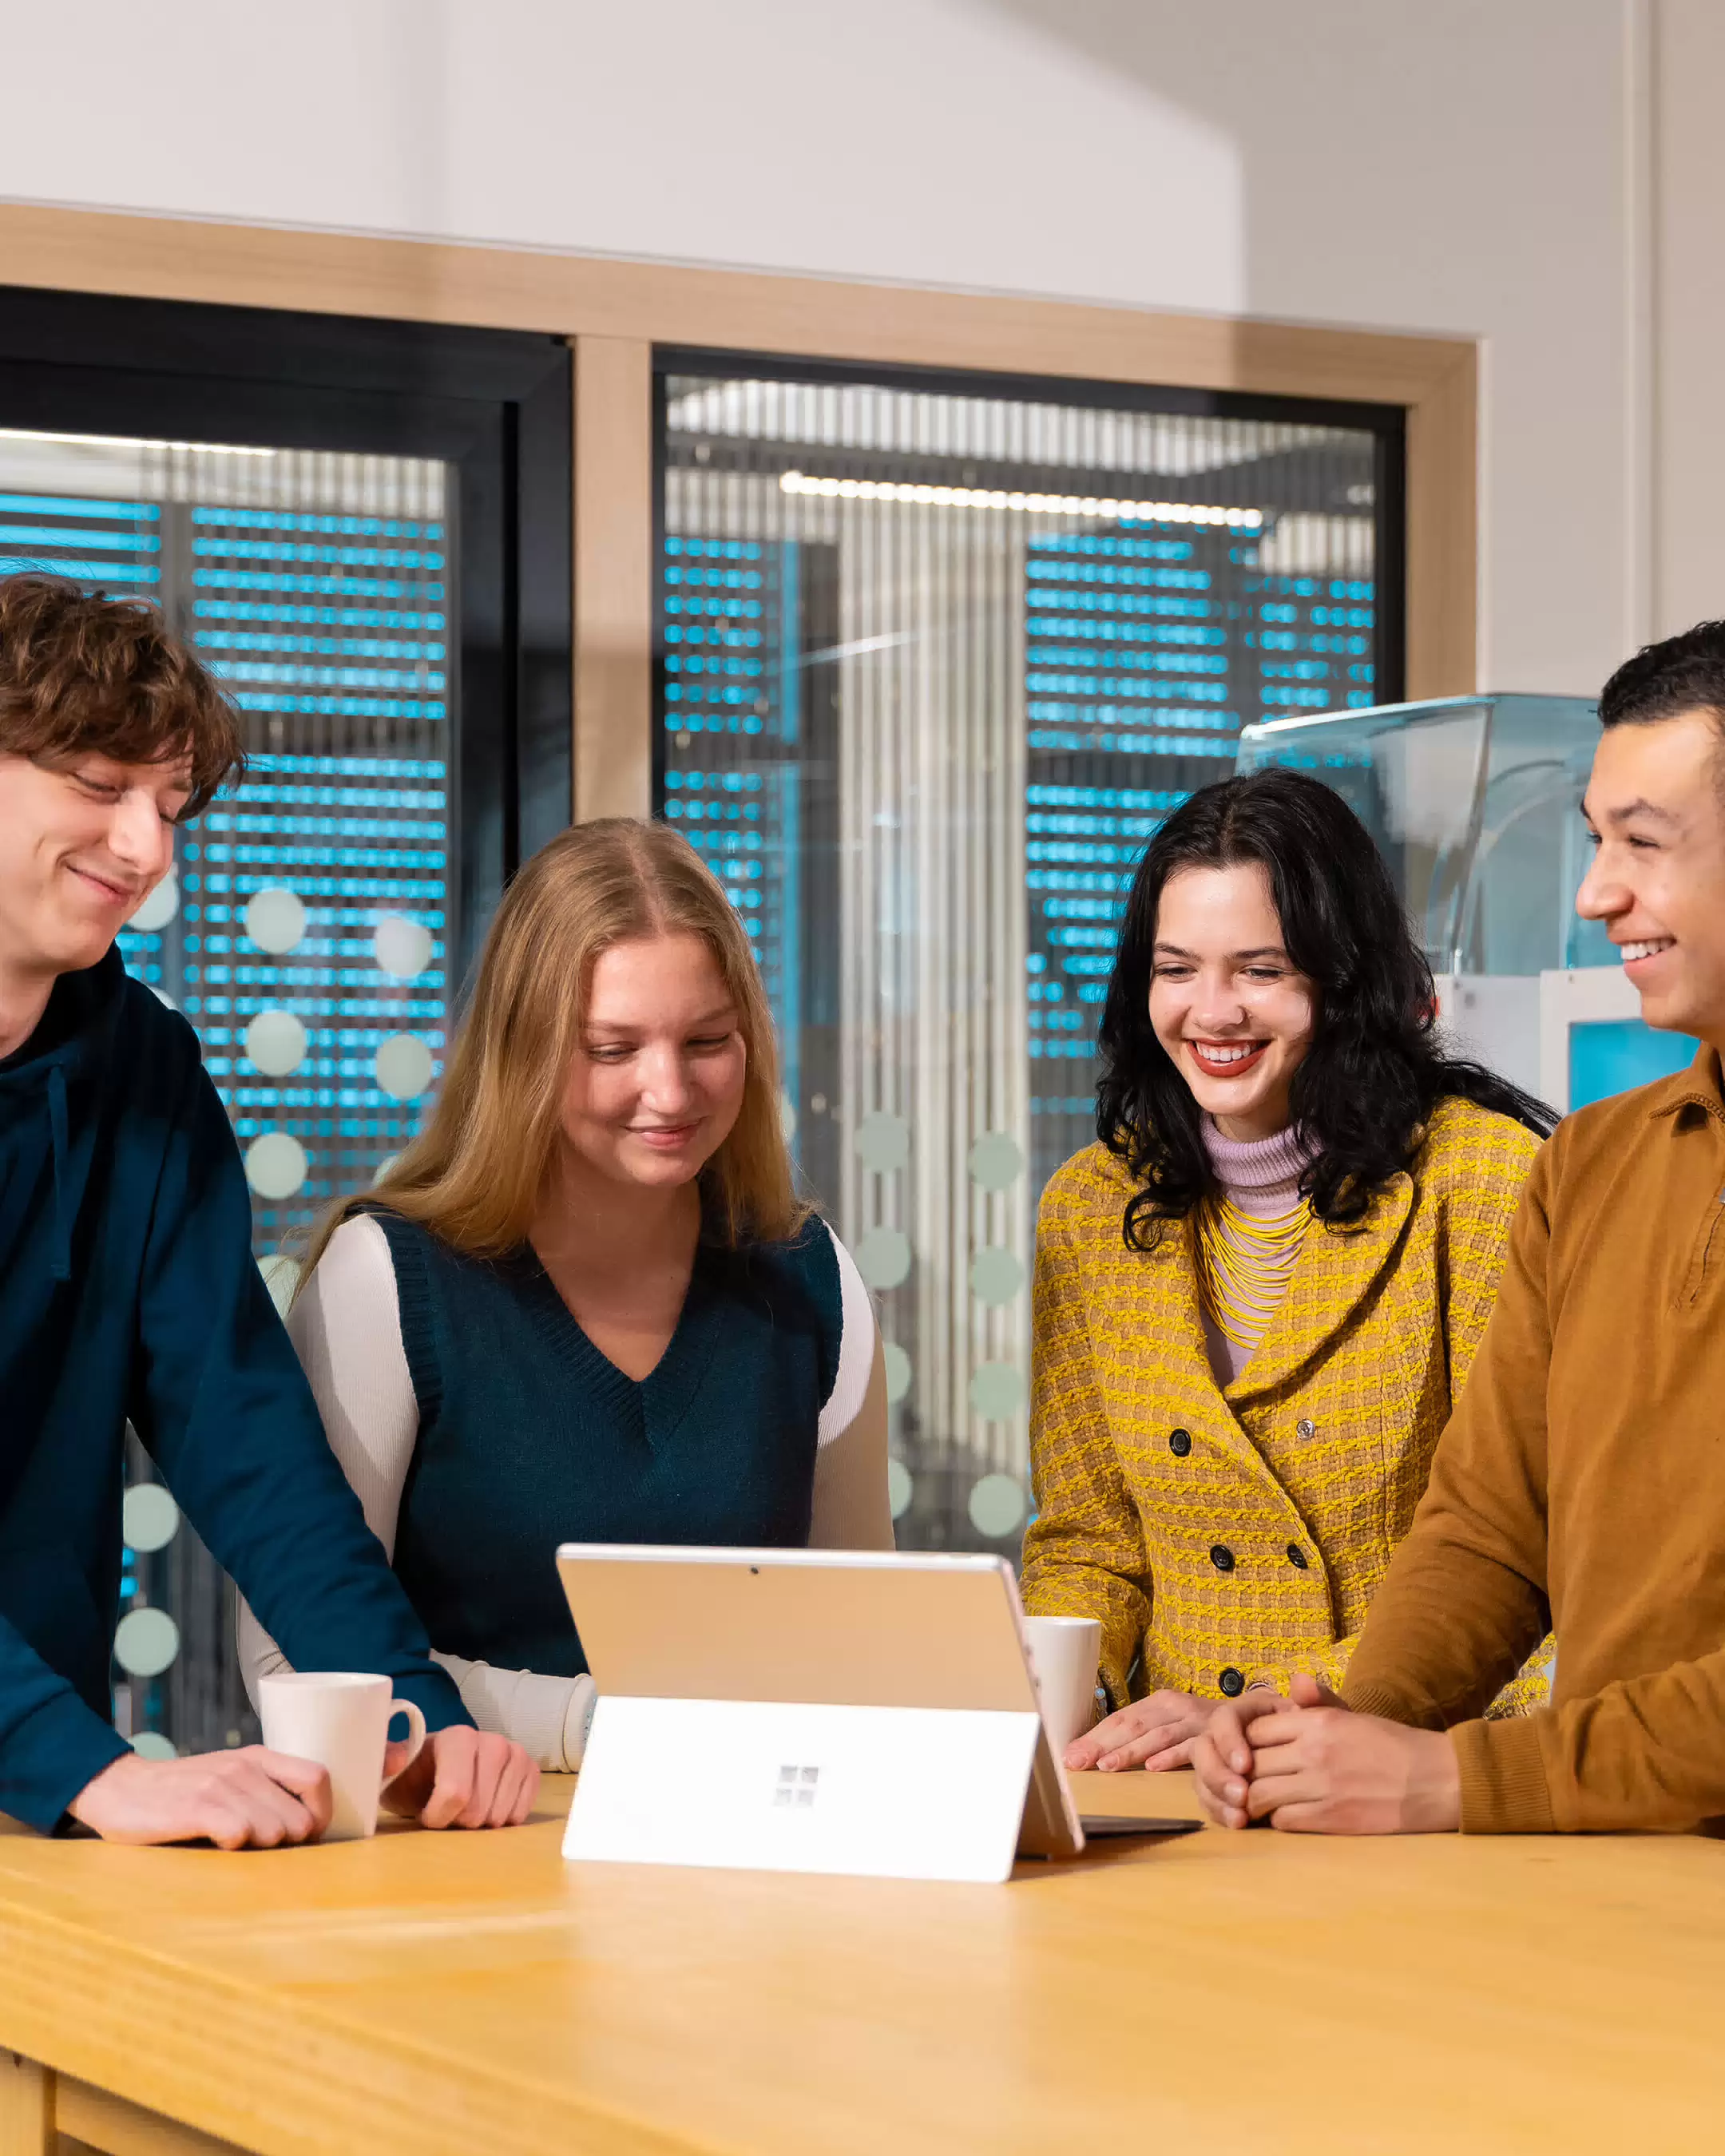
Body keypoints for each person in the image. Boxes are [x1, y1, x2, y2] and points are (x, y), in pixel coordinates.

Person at [0, 572, 536, 1845]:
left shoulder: (145, 1075)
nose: (148, 850)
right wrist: (93, 1769)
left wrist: (412, 1717)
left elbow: (244, 1437)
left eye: (170, 806)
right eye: (100, 785)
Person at [1192, 620, 1725, 1836]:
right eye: (1597, 841)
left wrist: (1462, 1779)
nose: (1597, 893)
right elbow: (1491, 1533)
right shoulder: (1595, 1163)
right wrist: (1332, 1725)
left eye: (1643, 843)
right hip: (1597, 1890)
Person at [240, 819, 891, 1769]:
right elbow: (288, 1662)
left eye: (706, 1040)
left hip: (740, 1864)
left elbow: (870, 1639)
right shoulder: (383, 1278)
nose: (669, 1092)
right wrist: (591, 1725)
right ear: (524, 1054)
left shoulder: (810, 1276)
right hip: (461, 1860)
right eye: (612, 1049)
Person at [1020, 768, 1555, 1776]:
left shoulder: (1481, 1185)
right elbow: (1091, 1545)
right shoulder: (1091, 1206)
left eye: (1261, 970)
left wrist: (1270, 1709)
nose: (1211, 1012)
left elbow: (1528, 1562)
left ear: (1343, 980)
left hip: (1397, 1771)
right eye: (1177, 969)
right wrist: (1066, 1701)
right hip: (1165, 1792)